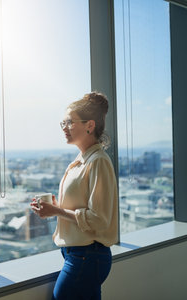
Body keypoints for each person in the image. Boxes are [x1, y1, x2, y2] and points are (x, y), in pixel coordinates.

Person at [31, 92, 118, 300]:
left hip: (87, 256)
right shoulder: (82, 160)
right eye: (63, 122)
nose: (64, 127)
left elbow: (99, 219)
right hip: (79, 255)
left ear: (89, 125)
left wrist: (57, 211)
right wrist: (54, 208)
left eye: (69, 122)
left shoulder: (98, 161)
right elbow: (81, 206)